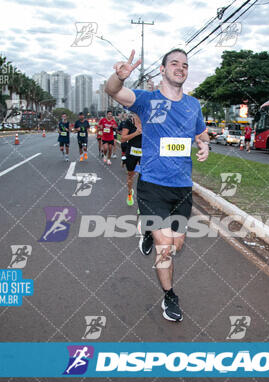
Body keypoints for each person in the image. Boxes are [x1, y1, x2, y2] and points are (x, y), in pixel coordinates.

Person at [105, 48, 209, 322]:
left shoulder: (193, 105)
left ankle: (149, 231)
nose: (180, 68)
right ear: (162, 69)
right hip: (152, 184)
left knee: (176, 245)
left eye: (185, 64)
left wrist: (204, 144)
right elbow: (114, 91)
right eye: (174, 63)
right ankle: (170, 296)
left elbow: (201, 132)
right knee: (165, 249)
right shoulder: (147, 100)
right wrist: (118, 77)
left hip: (181, 187)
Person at [120, 112, 142, 206]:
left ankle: (141, 202)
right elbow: (123, 138)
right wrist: (136, 133)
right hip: (132, 152)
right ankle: (129, 193)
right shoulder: (129, 122)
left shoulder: (148, 122)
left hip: (144, 153)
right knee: (130, 175)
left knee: (144, 177)